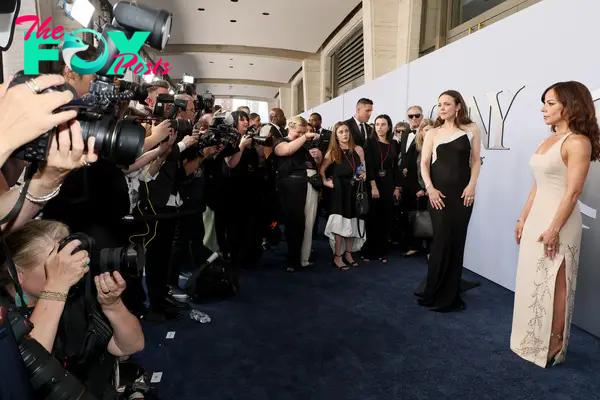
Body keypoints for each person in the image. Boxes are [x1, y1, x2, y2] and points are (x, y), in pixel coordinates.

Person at [0, 220, 144, 399]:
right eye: (55, 264)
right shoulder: (5, 318)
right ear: (17, 275)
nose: (70, 269)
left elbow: (131, 345)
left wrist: (113, 306)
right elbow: (25, 373)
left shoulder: (73, 298)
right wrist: (57, 286)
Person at [511, 81, 600, 368]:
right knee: (533, 280)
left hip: (559, 221)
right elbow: (537, 185)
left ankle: (555, 341)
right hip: (538, 217)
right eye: (544, 102)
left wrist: (553, 228)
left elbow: (572, 191)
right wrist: (523, 218)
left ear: (570, 105)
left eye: (550, 103)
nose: (543, 108)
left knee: (557, 282)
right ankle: (530, 337)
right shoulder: (548, 139)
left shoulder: (577, 142)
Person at [418, 90, 482, 312]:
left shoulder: (471, 129)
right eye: (439, 104)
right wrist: (430, 189)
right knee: (441, 241)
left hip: (463, 194)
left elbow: (475, 161)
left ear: (458, 106)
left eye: (446, 104)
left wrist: (472, 185)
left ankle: (450, 292)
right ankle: (434, 290)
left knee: (457, 242)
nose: (442, 108)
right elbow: (424, 163)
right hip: (439, 195)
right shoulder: (432, 133)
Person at [273, 116, 317, 272]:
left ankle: (302, 258)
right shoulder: (280, 141)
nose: (301, 135)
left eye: (303, 132)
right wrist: (304, 137)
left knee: (306, 224)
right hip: (290, 187)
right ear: (289, 129)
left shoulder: (304, 145)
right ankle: (293, 260)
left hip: (307, 185)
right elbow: (286, 150)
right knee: (294, 223)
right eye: (298, 132)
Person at [320, 122, 367, 270]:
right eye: (341, 132)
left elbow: (361, 168)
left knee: (352, 222)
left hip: (354, 190)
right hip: (340, 191)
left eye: (346, 131)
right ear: (336, 135)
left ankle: (349, 254)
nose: (345, 134)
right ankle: (337, 257)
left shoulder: (358, 150)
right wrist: (326, 182)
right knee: (340, 224)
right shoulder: (333, 152)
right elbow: (321, 170)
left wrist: (363, 174)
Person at [362, 115, 401, 263]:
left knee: (386, 218)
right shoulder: (369, 143)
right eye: (377, 124)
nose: (379, 127)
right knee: (372, 218)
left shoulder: (393, 143)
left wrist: (397, 187)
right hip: (374, 182)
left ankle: (382, 251)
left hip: (388, 183)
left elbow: (395, 166)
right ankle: (369, 251)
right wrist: (373, 186)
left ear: (389, 127)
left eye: (383, 124)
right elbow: (369, 165)